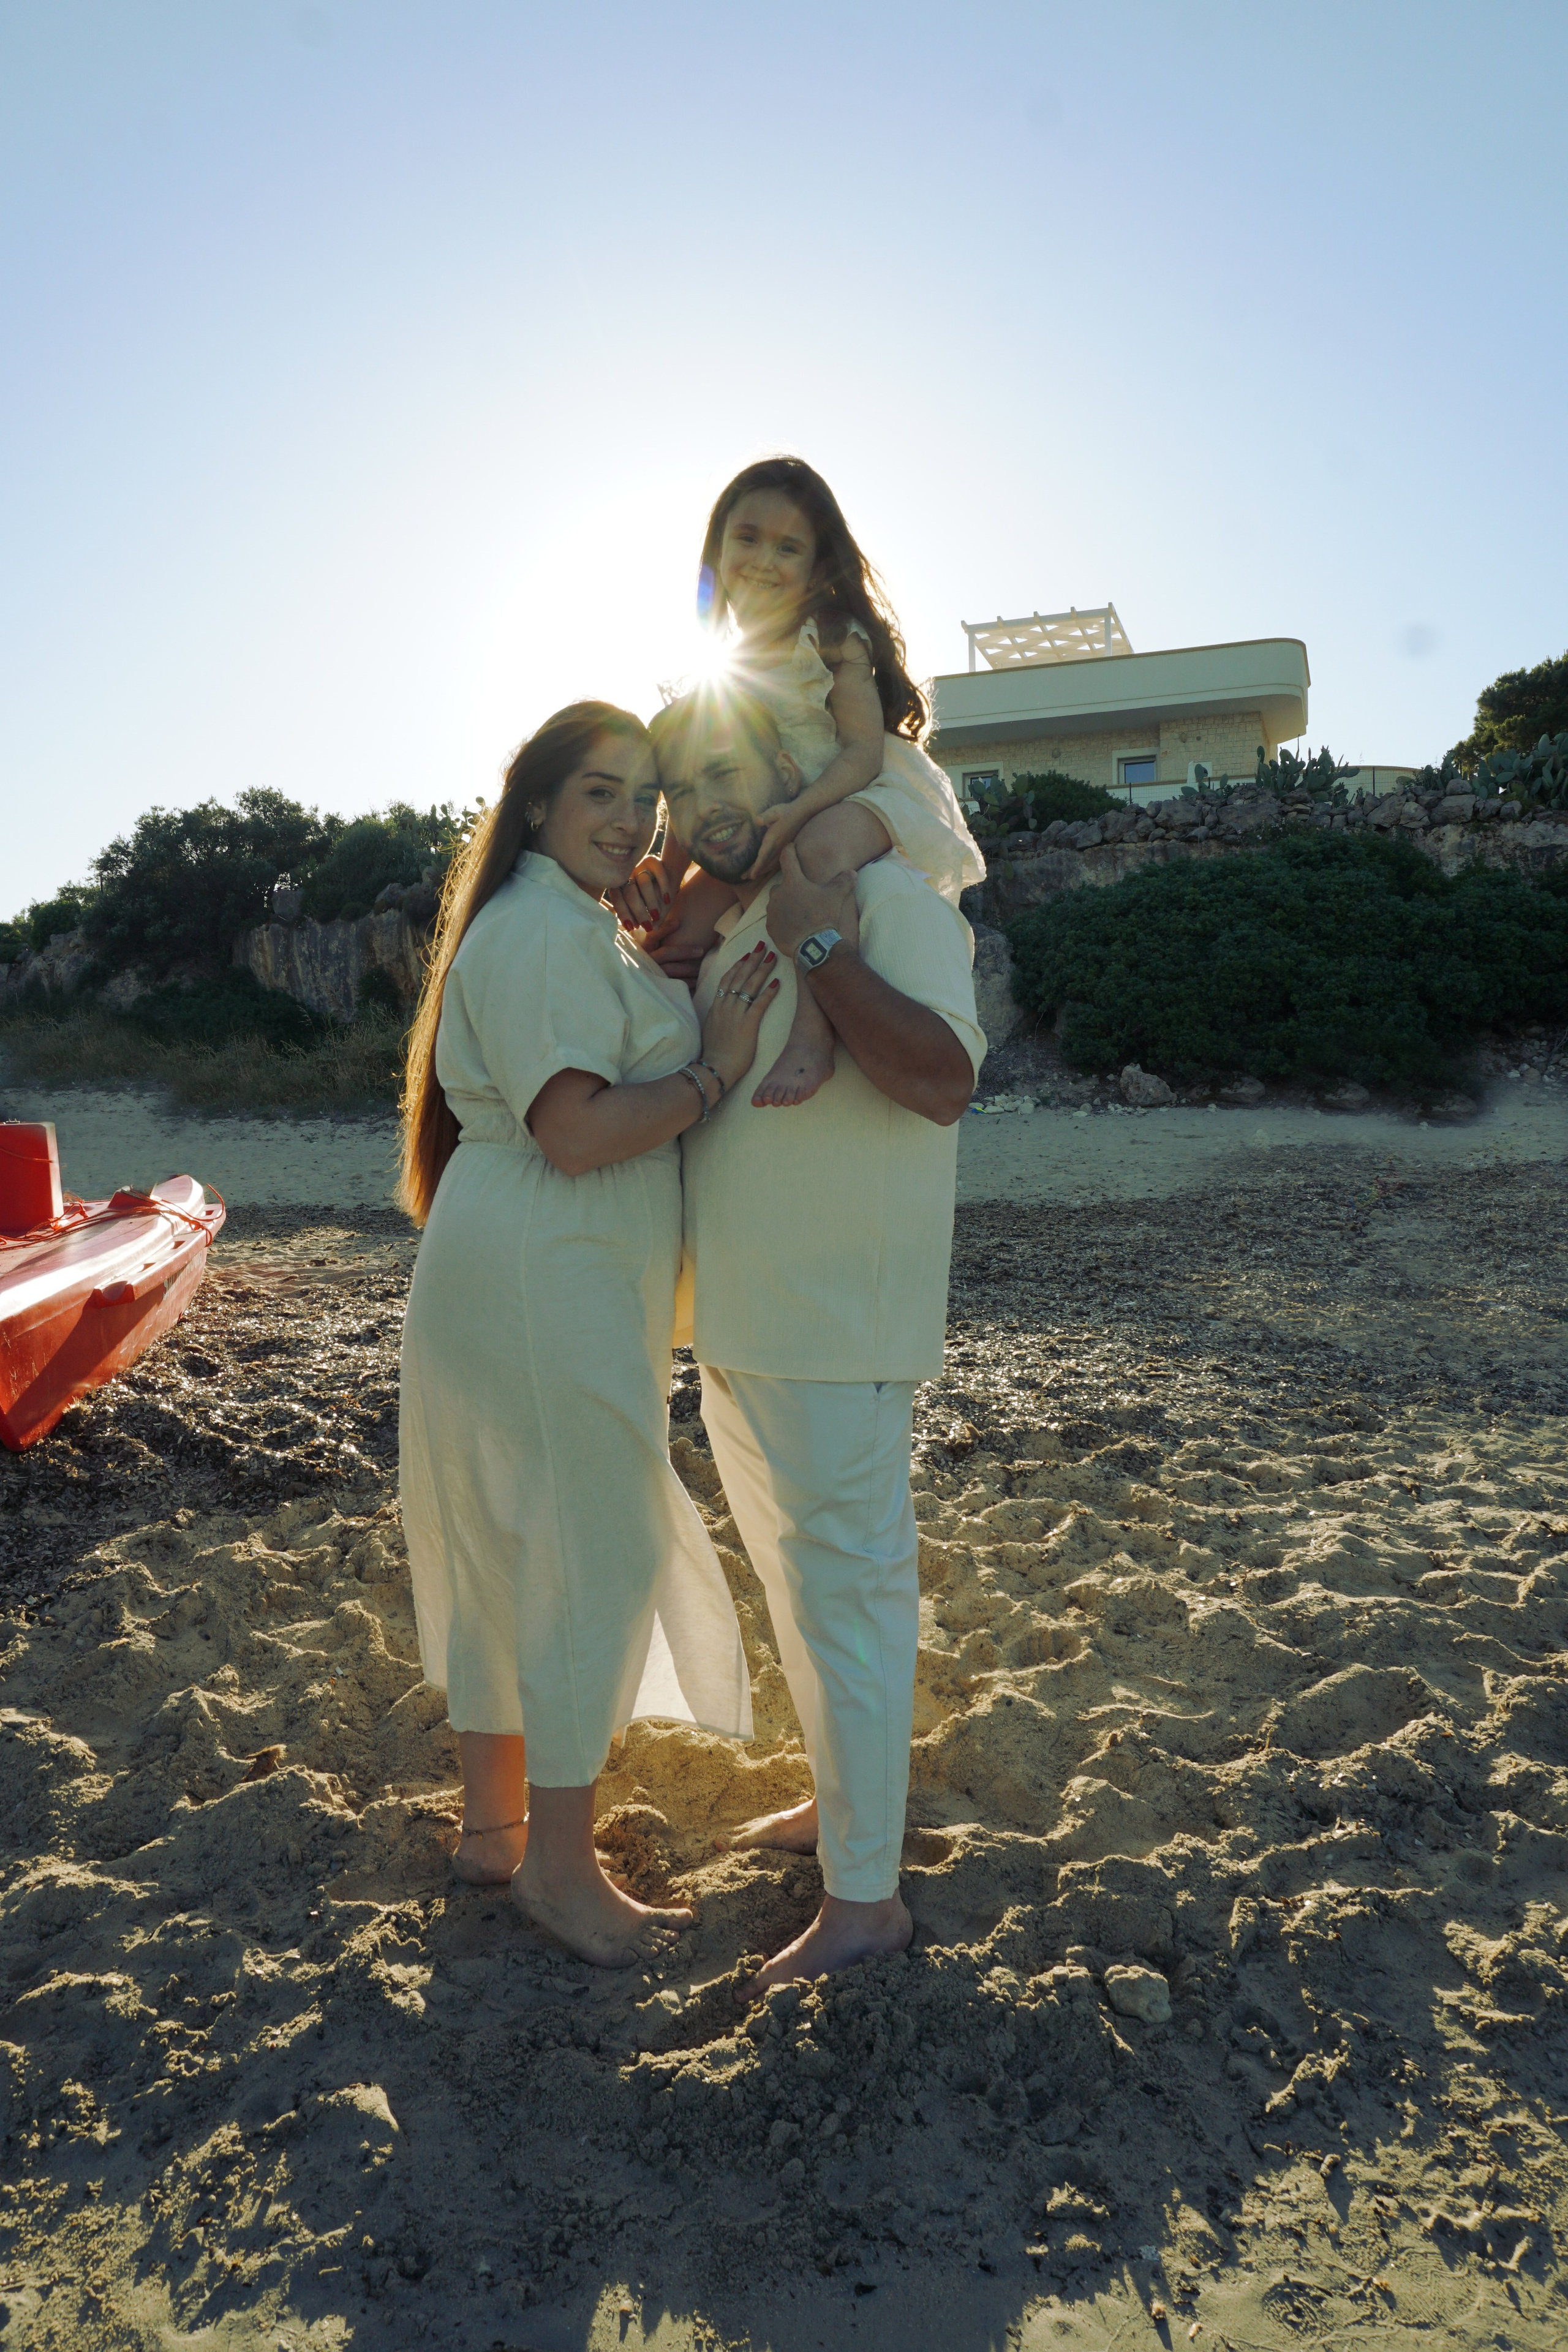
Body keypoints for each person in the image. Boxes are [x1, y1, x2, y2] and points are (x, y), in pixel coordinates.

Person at [396, 700, 778, 1967]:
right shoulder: (545, 934)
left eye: (643, 800)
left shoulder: (560, 928)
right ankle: (561, 1874)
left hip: (524, 1264)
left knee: (512, 1537)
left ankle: (494, 1833)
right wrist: (715, 1064)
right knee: (588, 1548)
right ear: (541, 803)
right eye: (601, 794)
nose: (629, 821)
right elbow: (575, 1131)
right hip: (542, 1271)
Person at [647, 682, 986, 1991]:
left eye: (733, 769)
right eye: (687, 785)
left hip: (840, 1315)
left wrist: (827, 951)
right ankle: (836, 1809)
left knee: (845, 1592)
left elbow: (944, 1082)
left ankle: (865, 1906)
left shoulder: (890, 901)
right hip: (738, 1312)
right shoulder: (732, 918)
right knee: (798, 1584)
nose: (711, 804)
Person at [618, 457, 984, 1109]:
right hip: (776, 812)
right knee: (674, 931)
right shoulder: (715, 673)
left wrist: (802, 811)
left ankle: (810, 1040)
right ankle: (675, 1062)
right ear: (718, 551)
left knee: (814, 856)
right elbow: (697, 788)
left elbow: (861, 754)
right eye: (747, 538)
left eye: (788, 547)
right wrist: (666, 869)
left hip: (857, 795)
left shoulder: (834, 640)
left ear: (817, 567)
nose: (763, 558)